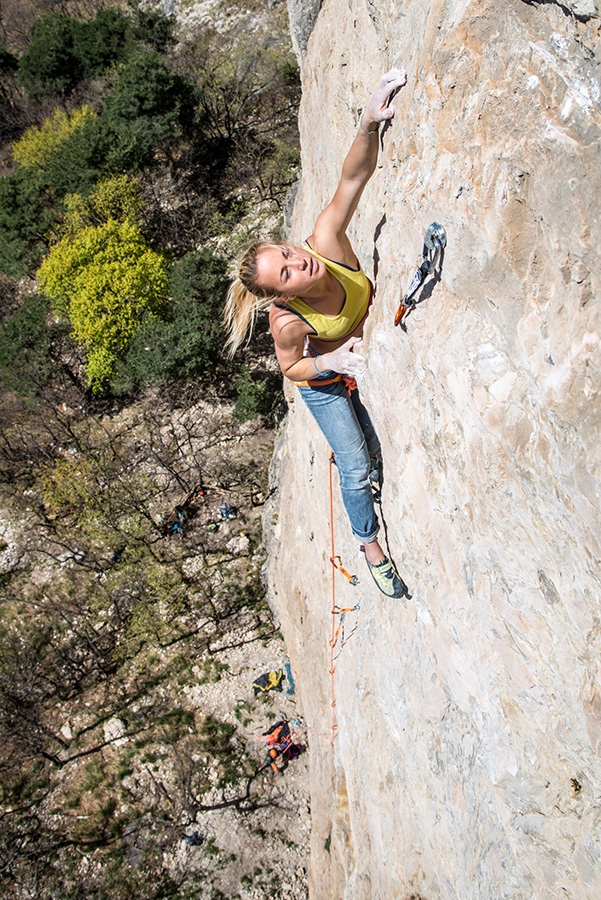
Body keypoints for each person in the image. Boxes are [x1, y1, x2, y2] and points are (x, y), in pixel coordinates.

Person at [225, 69, 407, 598]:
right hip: (323, 381)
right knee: (355, 464)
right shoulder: (288, 322)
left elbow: (352, 179)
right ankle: (369, 545)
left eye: (286, 254)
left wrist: (368, 121)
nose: (297, 264)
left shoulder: (325, 241)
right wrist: (331, 363)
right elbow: (292, 369)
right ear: (280, 295)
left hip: (341, 359)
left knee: (366, 450)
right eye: (284, 274)